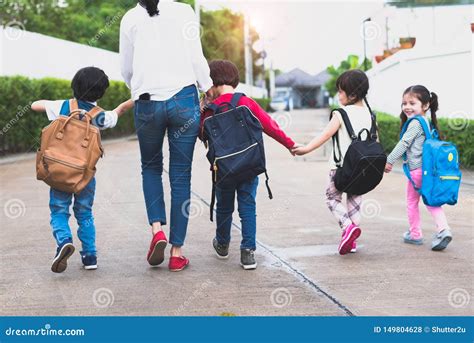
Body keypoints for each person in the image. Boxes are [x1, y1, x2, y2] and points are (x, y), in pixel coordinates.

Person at [120, 0, 213, 271]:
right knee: (181, 175)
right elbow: (196, 57)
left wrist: (138, 88)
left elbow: (126, 68)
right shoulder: (184, 11)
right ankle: (176, 251)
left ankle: (157, 230)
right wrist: (207, 87)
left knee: (150, 168)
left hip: (147, 102)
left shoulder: (129, 18)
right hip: (183, 99)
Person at [31, 66, 132, 273]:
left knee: (59, 210)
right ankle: (89, 256)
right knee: (85, 214)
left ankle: (64, 241)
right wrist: (136, 98)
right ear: (102, 92)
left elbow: (34, 106)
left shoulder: (63, 106)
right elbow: (120, 111)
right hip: (84, 176)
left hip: (59, 172)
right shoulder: (100, 116)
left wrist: (48, 105)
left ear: (74, 85)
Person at [200, 60, 296, 269]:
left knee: (224, 207)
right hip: (249, 165)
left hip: (223, 169)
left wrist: (202, 107)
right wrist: (289, 144)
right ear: (234, 79)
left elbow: (201, 134)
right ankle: (248, 252)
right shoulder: (246, 102)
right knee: (247, 206)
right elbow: (270, 125)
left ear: (212, 82)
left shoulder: (210, 110)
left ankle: (223, 245)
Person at [292, 69, 373, 255]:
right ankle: (352, 242)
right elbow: (374, 142)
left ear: (352, 94)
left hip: (340, 168)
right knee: (354, 202)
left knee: (332, 198)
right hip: (363, 169)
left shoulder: (340, 113)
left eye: (340, 91)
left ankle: (347, 227)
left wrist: (306, 149)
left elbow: (325, 135)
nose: (338, 95)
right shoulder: (371, 114)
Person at [384, 85, 453, 250]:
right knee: (431, 201)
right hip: (427, 171)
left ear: (425, 105)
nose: (407, 107)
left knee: (412, 202)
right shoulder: (426, 122)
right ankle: (442, 229)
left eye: (412, 103)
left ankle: (417, 234)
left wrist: (389, 160)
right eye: (404, 103)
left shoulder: (415, 123)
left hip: (417, 171)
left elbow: (404, 143)